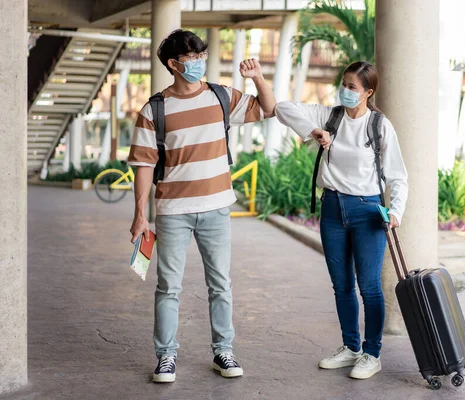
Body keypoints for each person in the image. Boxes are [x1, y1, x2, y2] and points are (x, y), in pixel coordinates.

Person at [127, 29, 276, 383]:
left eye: (200, 57)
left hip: (216, 208)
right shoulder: (155, 109)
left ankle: (223, 350)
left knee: (220, 284)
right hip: (173, 211)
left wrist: (257, 77)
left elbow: (268, 110)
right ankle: (165, 357)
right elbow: (144, 165)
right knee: (168, 287)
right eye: (191, 59)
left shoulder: (221, 96)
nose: (198, 63)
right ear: (173, 64)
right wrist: (139, 215)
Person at [274, 61, 408, 380]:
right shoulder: (330, 116)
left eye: (352, 87)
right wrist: (313, 131)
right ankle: (350, 347)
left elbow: (398, 176)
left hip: (368, 211)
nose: (345, 91)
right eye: (344, 84)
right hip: (332, 207)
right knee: (342, 285)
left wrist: (397, 211)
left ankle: (371, 353)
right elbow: (282, 108)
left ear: (367, 92)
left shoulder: (379, 126)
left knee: (370, 287)